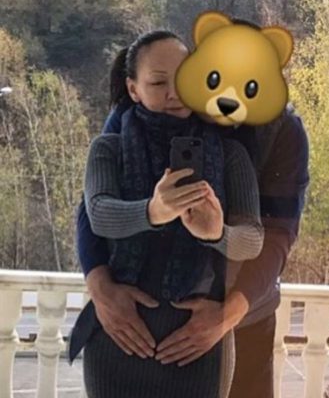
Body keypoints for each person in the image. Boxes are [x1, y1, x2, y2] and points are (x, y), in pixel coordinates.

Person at [77, 20, 310, 398]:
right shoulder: (148, 108)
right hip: (133, 317)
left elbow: (275, 234)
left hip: (244, 314)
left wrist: (225, 315)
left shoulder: (281, 129)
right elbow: (93, 206)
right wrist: (100, 286)